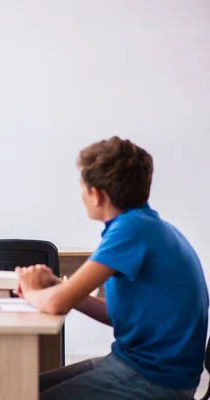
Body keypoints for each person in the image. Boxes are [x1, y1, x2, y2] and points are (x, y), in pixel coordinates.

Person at [14, 136, 208, 399]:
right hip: (143, 368)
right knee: (17, 388)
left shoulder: (130, 230)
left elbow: (56, 305)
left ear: (96, 194)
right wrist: (62, 288)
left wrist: (31, 288)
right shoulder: (146, 225)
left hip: (153, 379)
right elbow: (116, 316)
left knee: (18, 393)